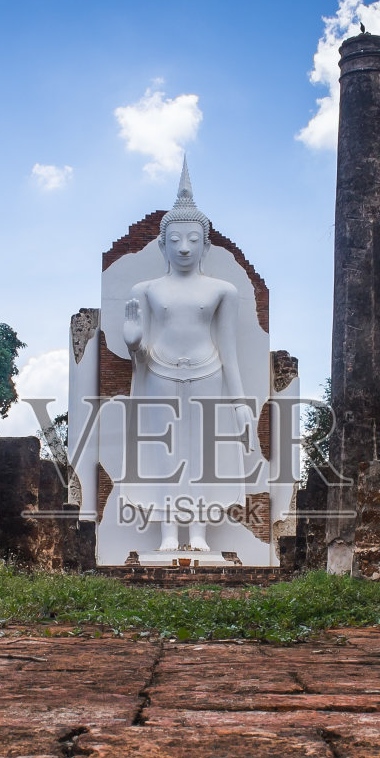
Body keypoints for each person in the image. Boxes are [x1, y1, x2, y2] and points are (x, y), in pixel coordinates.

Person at [121, 159, 257, 552]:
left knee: (201, 456)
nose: (184, 247)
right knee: (164, 454)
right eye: (176, 239)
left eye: (193, 239)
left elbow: (229, 351)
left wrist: (240, 404)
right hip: (160, 374)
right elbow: (141, 357)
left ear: (205, 244)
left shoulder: (222, 291)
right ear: (162, 243)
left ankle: (197, 532)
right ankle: (167, 533)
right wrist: (133, 344)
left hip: (208, 374)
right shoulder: (145, 289)